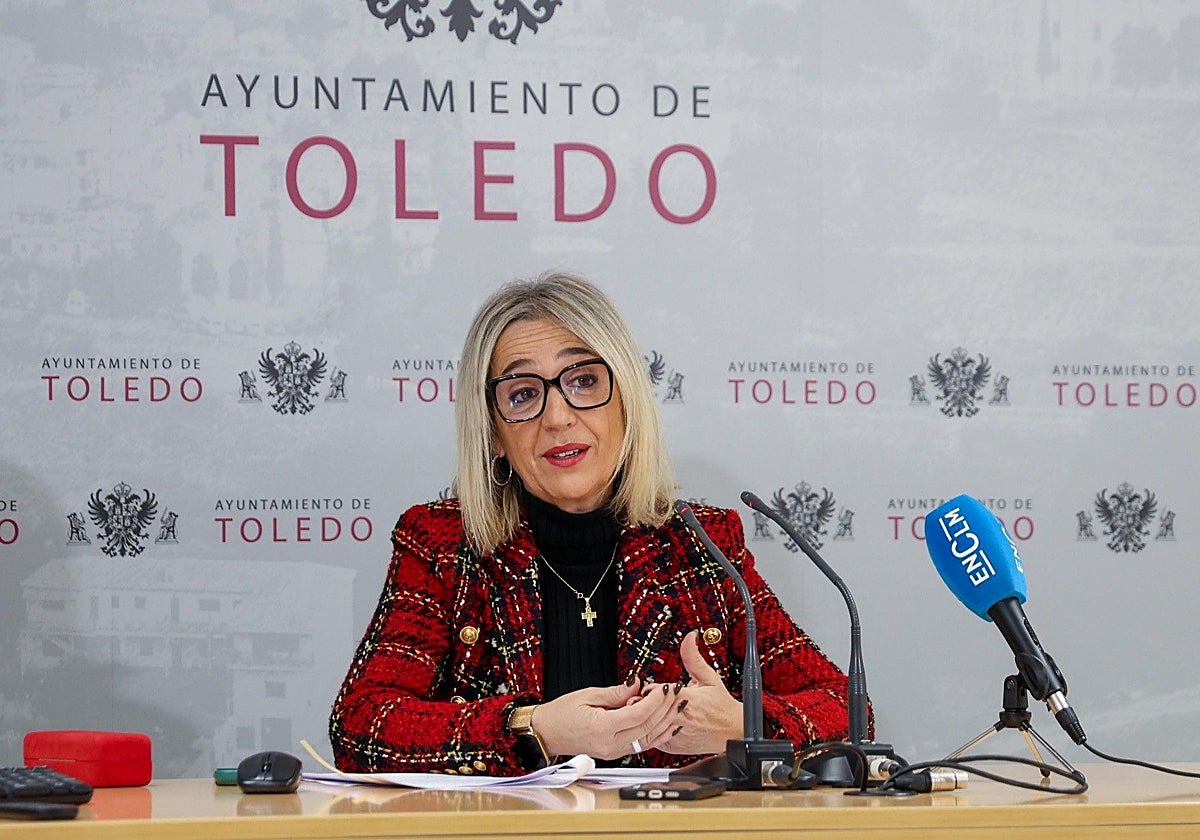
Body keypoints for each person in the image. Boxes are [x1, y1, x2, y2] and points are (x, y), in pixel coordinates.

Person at [329, 270, 853, 776]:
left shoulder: (703, 545)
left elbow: (848, 711)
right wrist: (534, 728)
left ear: (626, 401)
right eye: (523, 394)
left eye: (583, 381)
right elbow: (359, 725)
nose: (557, 417)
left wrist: (743, 724)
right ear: (491, 432)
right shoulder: (441, 544)